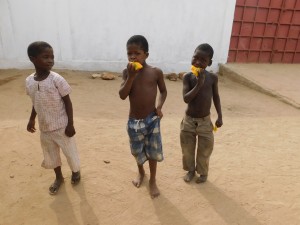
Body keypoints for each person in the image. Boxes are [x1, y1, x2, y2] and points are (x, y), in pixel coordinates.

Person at [25, 41, 81, 195]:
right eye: (45, 57)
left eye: (52, 57)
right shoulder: (29, 81)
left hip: (62, 127)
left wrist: (71, 124)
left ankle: (76, 172)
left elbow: (68, 102)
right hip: (45, 129)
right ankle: (58, 178)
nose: (50, 60)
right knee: (51, 156)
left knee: (70, 153)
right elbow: (35, 101)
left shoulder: (57, 79)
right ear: (33, 59)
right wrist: (31, 119)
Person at [119, 35, 167, 198]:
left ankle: (153, 180)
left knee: (153, 152)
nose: (132, 57)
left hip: (152, 120)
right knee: (137, 151)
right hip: (134, 121)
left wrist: (159, 106)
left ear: (146, 54)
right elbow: (122, 95)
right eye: (129, 53)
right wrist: (131, 77)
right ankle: (141, 173)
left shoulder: (155, 72)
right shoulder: (127, 72)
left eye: (137, 53)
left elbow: (163, 91)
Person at [180, 43, 223, 183]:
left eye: (203, 60)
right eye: (195, 57)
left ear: (209, 63)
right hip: (189, 120)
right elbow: (186, 98)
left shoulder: (212, 78)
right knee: (187, 148)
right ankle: (190, 170)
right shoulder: (188, 77)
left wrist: (220, 116)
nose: (198, 62)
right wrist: (198, 84)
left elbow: (216, 97)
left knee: (205, 148)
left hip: (205, 121)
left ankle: (203, 173)